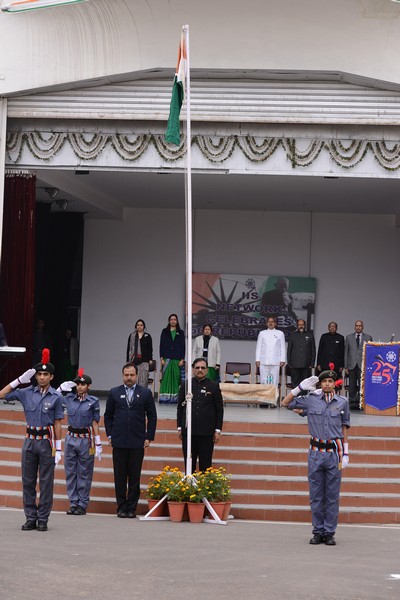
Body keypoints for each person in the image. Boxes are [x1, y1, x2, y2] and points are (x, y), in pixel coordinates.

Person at [281, 368, 350, 546]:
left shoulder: (342, 402)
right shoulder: (311, 400)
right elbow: (285, 403)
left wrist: (346, 451)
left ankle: (329, 532)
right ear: (320, 384)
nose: (327, 384)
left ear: (335, 384)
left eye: (330, 381)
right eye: (324, 381)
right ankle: (318, 531)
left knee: (332, 496)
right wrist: (299, 388)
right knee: (316, 495)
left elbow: (344, 426)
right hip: (316, 453)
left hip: (334, 453)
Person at [0, 349, 63, 531]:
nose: (42, 377)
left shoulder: (57, 397)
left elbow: (58, 423)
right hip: (29, 441)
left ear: (51, 377)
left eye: (45, 374)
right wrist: (19, 380)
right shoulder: (26, 392)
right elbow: (2, 394)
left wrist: (59, 447)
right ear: (35, 376)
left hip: (46, 442)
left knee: (46, 482)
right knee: (28, 481)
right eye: (39, 374)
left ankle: (42, 519)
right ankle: (30, 517)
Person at [104, 362, 157, 518]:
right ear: (122, 376)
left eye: (132, 375)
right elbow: (108, 415)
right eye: (126, 375)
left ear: (137, 376)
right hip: (119, 440)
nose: (129, 378)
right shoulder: (114, 392)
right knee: (119, 476)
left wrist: (149, 436)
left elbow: (152, 416)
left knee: (134, 476)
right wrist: (110, 435)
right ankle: (121, 507)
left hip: (137, 440)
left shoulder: (145, 393)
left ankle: (131, 508)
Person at [59, 369, 102, 515]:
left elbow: (95, 422)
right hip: (71, 437)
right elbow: (54, 399)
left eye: (83, 384)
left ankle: (82, 504)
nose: (80, 387)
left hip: (86, 439)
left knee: (84, 472)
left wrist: (98, 442)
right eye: (77, 384)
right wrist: (60, 389)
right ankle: (73, 503)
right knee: (70, 471)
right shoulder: (69, 399)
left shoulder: (93, 401)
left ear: (88, 386)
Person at [177, 358, 224, 474]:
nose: (200, 370)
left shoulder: (213, 386)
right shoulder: (186, 385)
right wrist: (179, 427)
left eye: (203, 368)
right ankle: (190, 486)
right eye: (197, 367)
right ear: (193, 369)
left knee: (206, 467)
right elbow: (180, 407)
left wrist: (218, 430)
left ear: (207, 370)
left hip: (206, 434)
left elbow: (219, 410)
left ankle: (205, 486)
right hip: (189, 433)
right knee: (189, 466)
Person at [345, 320, 372, 410]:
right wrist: (346, 366)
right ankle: (352, 404)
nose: (358, 327)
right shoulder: (348, 337)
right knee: (352, 385)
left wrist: (368, 365)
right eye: (356, 325)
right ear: (354, 326)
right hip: (351, 365)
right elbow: (346, 352)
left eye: (360, 326)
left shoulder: (368, 337)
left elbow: (370, 353)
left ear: (362, 327)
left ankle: (362, 403)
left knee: (362, 385)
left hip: (363, 365)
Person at [159, 313, 185, 404]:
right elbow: (161, 345)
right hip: (167, 358)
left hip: (177, 359)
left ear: (177, 321)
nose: (173, 321)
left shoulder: (180, 332)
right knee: (166, 379)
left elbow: (183, 346)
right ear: (169, 321)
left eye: (174, 319)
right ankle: (164, 398)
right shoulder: (164, 331)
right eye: (171, 319)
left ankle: (175, 399)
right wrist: (161, 358)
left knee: (176, 379)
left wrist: (182, 359)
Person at [255, 316, 286, 389]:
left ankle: (274, 395)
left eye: (272, 322)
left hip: (275, 361)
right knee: (263, 380)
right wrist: (257, 359)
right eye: (269, 322)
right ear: (266, 323)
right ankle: (264, 395)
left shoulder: (280, 333)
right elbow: (258, 347)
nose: (270, 323)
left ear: (275, 323)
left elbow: (282, 347)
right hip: (263, 360)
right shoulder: (262, 333)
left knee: (275, 380)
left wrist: (282, 359)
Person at [287, 319, 316, 388]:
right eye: (299, 325)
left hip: (306, 364)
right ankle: (296, 395)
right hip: (294, 364)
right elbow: (289, 350)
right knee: (295, 384)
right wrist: (289, 363)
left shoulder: (310, 335)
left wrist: (312, 364)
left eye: (302, 324)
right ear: (297, 326)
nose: (301, 326)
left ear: (305, 325)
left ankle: (304, 395)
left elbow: (313, 350)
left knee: (305, 383)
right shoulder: (292, 335)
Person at [126, 319, 153, 387]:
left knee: (143, 381)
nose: (139, 326)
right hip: (133, 362)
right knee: (133, 381)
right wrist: (128, 361)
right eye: (138, 325)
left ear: (144, 326)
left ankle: (142, 394)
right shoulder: (132, 336)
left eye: (141, 325)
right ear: (136, 326)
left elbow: (150, 349)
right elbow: (129, 349)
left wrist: (150, 359)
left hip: (144, 362)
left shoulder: (147, 336)